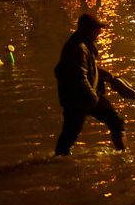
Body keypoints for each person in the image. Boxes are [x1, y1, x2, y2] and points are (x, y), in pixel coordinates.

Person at [54, 14, 127, 156]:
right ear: (87, 30)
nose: (99, 33)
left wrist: (108, 77)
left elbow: (88, 68)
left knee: (115, 122)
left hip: (83, 96)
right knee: (71, 133)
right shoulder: (77, 48)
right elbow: (79, 76)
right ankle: (123, 156)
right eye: (97, 30)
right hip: (79, 99)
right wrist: (93, 97)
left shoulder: (84, 44)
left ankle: (123, 154)